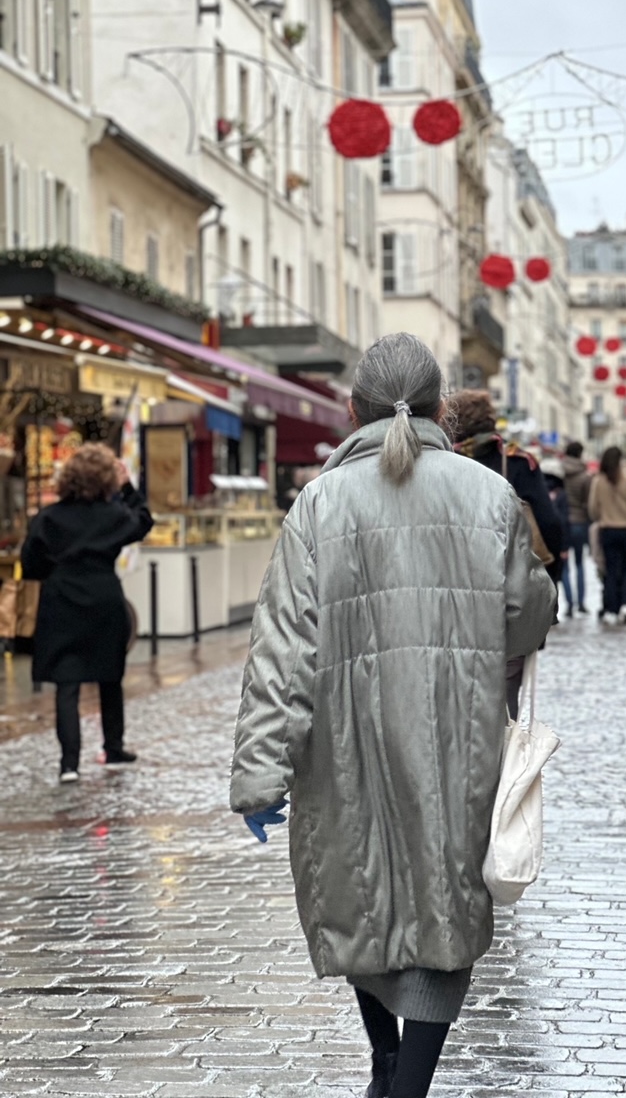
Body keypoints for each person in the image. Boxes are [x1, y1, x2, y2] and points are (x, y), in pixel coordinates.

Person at [231, 334, 556, 1098]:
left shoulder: (319, 501)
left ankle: (387, 1068)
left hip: (344, 738)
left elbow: (282, 644)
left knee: (360, 891)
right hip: (457, 726)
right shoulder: (487, 493)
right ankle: (405, 1080)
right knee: (445, 901)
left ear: (352, 409)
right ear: (443, 407)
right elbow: (525, 616)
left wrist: (260, 772)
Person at [21, 443, 154, 783]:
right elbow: (142, 521)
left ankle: (69, 764)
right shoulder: (113, 516)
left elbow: (30, 563)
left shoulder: (48, 517)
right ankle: (113, 746)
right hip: (104, 599)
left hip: (61, 601)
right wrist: (127, 489)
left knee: (68, 685)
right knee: (110, 676)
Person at [449, 390, 562, 715]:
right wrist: (547, 590)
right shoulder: (517, 462)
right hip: (509, 594)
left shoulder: (440, 463)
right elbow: (550, 528)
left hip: (454, 596)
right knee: (506, 689)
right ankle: (502, 756)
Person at [587, 446, 626, 625]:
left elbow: (592, 509)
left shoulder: (598, 482)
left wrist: (603, 515)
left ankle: (611, 607)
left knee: (610, 570)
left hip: (608, 530)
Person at [561, 441, 592, 616]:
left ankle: (569, 604)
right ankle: (581, 602)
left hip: (563, 521)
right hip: (580, 522)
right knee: (580, 563)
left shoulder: (560, 472)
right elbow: (588, 502)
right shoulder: (585, 476)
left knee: (564, 565)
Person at [540, 457, 573, 616]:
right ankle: (566, 605)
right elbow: (565, 521)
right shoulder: (561, 494)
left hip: (540, 540)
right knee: (561, 575)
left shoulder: (539, 491)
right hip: (557, 540)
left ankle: (546, 608)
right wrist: (565, 546)